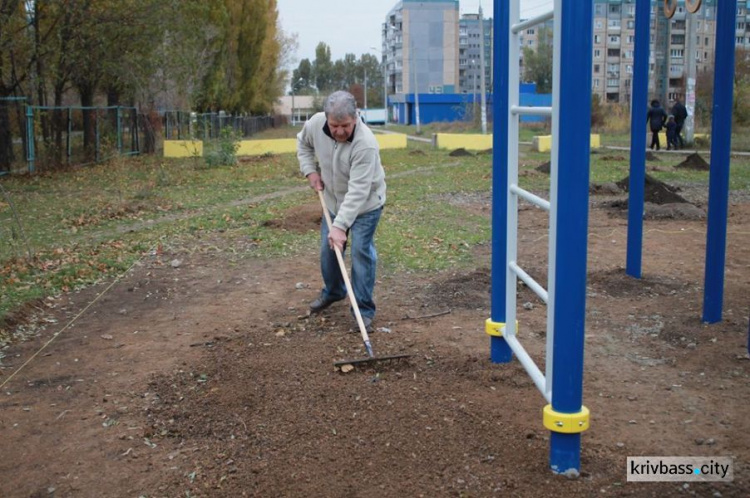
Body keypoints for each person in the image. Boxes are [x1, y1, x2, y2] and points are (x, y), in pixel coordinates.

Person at [297, 91, 386, 332]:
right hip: (333, 203)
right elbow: (303, 145)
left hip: (367, 205)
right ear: (326, 119)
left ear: (355, 118)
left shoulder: (365, 144)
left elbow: (358, 190)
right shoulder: (315, 124)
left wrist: (340, 227)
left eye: (345, 125)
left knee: (360, 252)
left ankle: (364, 309)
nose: (339, 131)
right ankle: (335, 291)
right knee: (329, 254)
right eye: (334, 125)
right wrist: (310, 171)